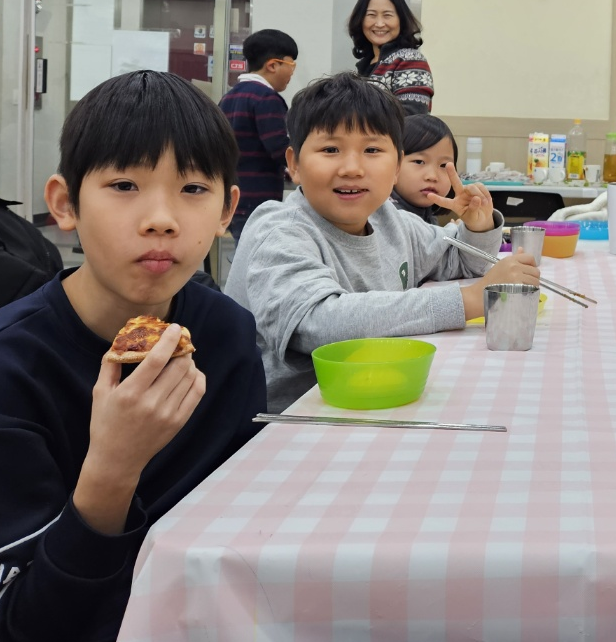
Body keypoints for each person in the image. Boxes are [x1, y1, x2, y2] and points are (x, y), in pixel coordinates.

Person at [0, 71, 266, 642]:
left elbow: (237, 514)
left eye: (193, 188)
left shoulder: (226, 334)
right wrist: (114, 464)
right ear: (65, 204)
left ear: (227, 209)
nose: (161, 218)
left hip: (178, 618)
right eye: (124, 184)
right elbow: (28, 626)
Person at [225, 73, 538, 411]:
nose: (352, 168)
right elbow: (314, 323)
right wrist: (470, 300)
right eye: (330, 149)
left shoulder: (389, 220)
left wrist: (477, 228)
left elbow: (460, 261)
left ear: (396, 166)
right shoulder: (278, 230)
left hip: (377, 394)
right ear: (294, 164)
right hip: (286, 418)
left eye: (372, 150)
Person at [218, 28, 299, 241]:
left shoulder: (228, 97)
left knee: (243, 249)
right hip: (258, 199)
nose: (292, 72)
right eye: (291, 65)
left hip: (233, 195)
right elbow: (279, 148)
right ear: (272, 65)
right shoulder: (267, 99)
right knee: (257, 250)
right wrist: (305, 164)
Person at [348, 0, 433, 113]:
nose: (379, 23)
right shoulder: (366, 64)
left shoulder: (410, 59)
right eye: (371, 15)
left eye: (387, 15)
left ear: (401, 20)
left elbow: (413, 116)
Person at [392, 113, 459, 223]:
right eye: (419, 162)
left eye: (443, 165)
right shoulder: (389, 215)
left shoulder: (427, 214)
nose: (432, 176)